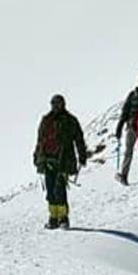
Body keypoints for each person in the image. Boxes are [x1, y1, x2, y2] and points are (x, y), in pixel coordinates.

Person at [33, 94, 89, 230]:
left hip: (64, 160)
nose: (55, 106)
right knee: (51, 190)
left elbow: (79, 139)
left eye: (58, 103)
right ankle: (53, 218)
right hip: (47, 160)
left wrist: (82, 156)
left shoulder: (70, 121)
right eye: (53, 104)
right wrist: (37, 156)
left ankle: (63, 218)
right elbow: (40, 141)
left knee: (60, 190)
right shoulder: (46, 121)